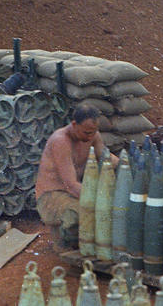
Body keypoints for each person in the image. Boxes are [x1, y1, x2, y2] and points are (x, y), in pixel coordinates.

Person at [35, 105, 118, 247]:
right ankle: (64, 243)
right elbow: (71, 185)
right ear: (74, 124)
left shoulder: (92, 135)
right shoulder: (60, 141)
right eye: (87, 133)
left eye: (94, 132)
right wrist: (102, 199)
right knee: (86, 213)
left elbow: (107, 159)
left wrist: (126, 163)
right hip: (51, 196)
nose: (91, 136)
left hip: (73, 192)